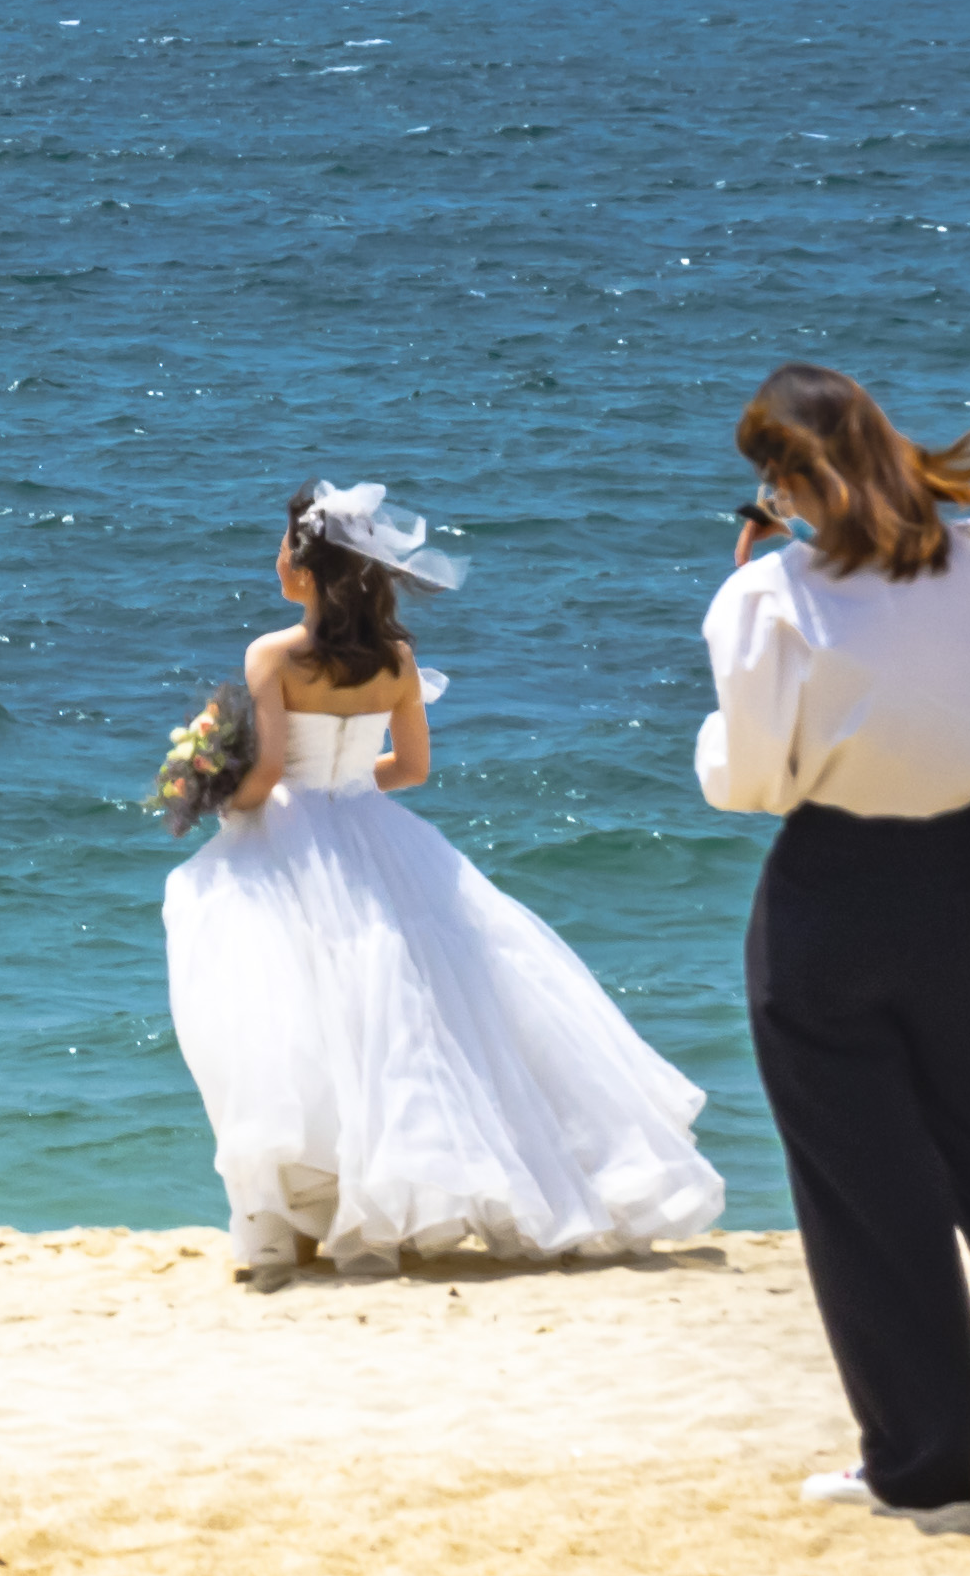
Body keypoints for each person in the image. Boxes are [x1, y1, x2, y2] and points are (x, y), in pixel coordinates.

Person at [697, 363, 970, 1513]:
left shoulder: (765, 599)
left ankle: (923, 1455)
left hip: (832, 892)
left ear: (791, 478)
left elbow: (750, 781)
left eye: (770, 477)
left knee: (865, 1191)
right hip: (963, 887)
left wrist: (742, 609)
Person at [161, 482, 728, 1282]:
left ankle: (298, 1219)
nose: (277, 557)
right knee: (401, 1018)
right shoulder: (396, 659)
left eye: (285, 545)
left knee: (295, 1022)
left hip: (293, 839)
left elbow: (262, 779)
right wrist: (348, 792)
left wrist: (208, 787)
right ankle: (389, 1204)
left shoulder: (272, 655)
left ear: (307, 565)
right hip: (378, 831)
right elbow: (415, 768)